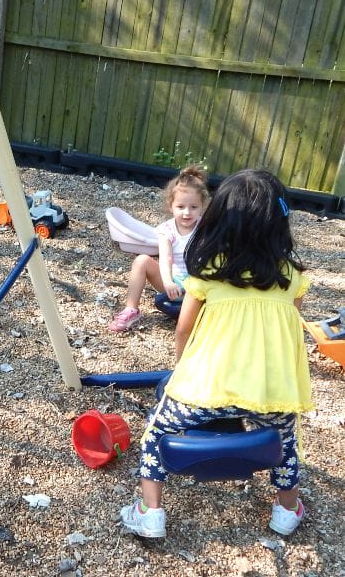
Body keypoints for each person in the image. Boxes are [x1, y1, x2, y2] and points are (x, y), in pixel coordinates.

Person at [120, 169, 314, 538]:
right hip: (269, 392)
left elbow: (184, 328)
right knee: (286, 444)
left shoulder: (209, 271)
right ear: (279, 224)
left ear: (219, 220)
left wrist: (180, 370)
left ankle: (150, 511)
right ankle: (287, 510)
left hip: (206, 389)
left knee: (155, 432)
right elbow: (286, 328)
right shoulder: (291, 277)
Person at [108, 166, 210, 332]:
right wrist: (169, 282)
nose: (187, 212)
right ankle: (130, 309)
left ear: (202, 206)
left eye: (193, 207)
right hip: (174, 282)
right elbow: (166, 258)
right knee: (141, 260)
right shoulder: (167, 230)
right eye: (181, 207)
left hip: (198, 283)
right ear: (171, 206)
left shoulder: (204, 227)